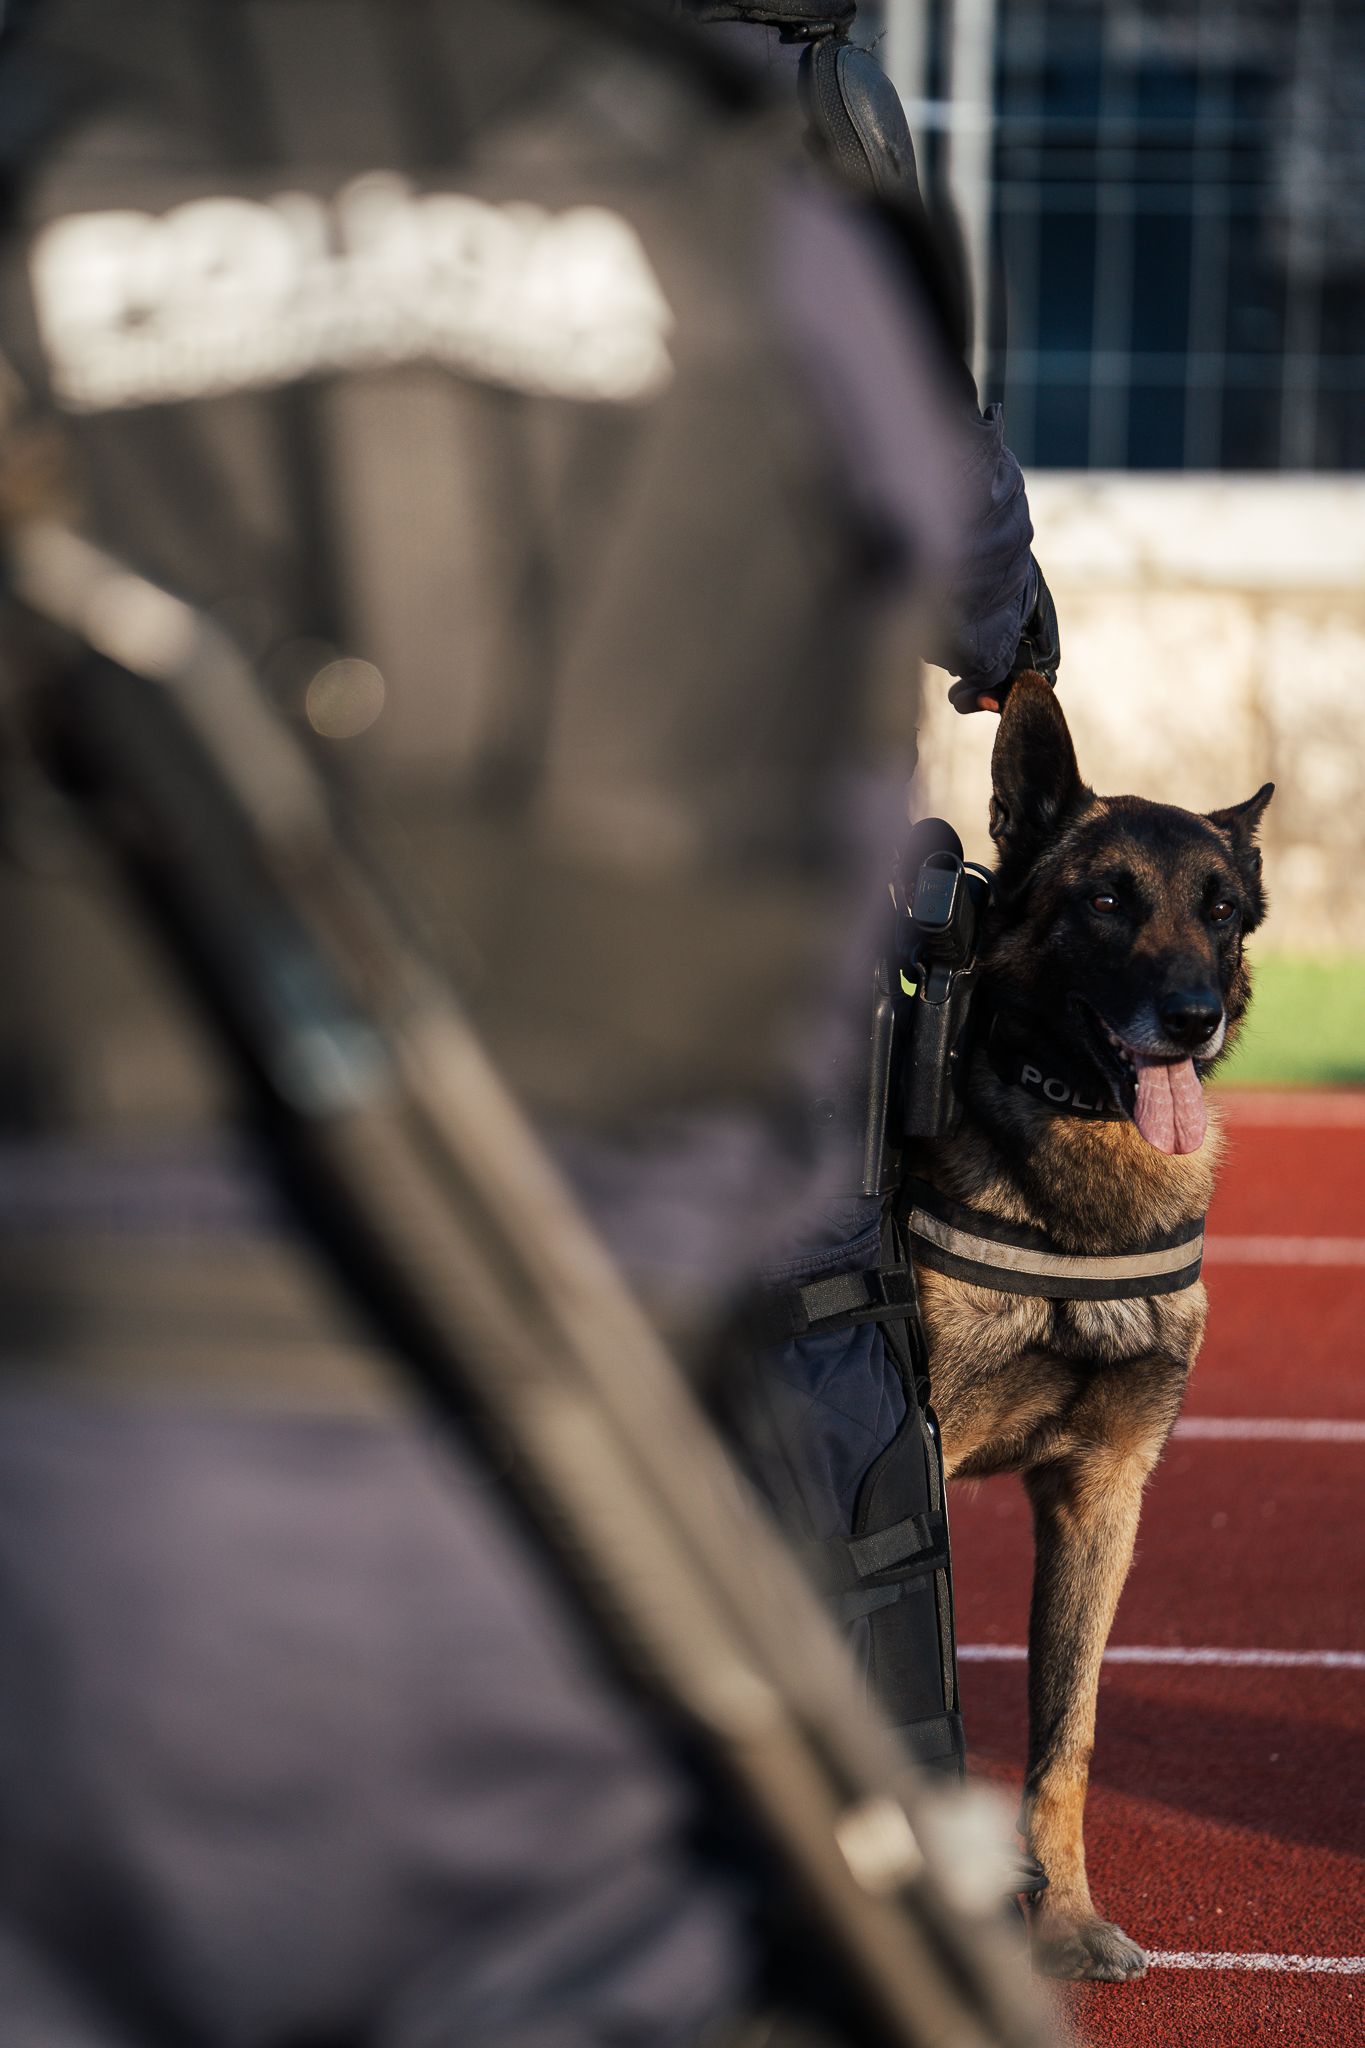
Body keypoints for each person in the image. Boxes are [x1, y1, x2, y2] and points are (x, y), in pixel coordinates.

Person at [0, 3, 1035, 2045]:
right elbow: (937, 604)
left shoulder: (39, 132)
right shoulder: (739, 189)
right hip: (601, 1458)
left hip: (76, 1451)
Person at [681, 1, 1059, 1781]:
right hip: (762, 846)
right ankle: (864, 1797)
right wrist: (1008, 630)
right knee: (811, 1310)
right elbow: (929, 472)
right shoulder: (808, 102)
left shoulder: (396, 80)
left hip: (431, 859)